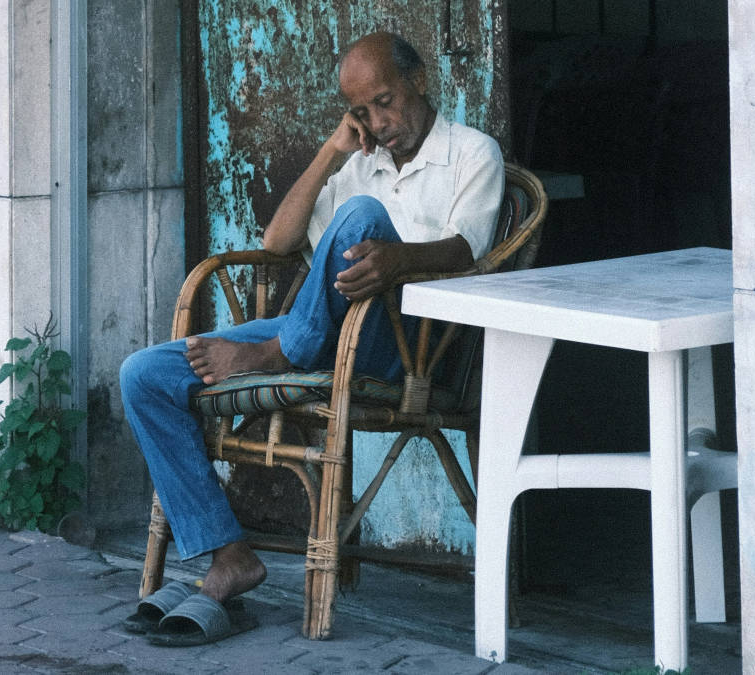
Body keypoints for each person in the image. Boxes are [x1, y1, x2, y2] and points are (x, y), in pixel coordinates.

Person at [118, 31, 503, 644]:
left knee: (362, 216)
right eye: (361, 113)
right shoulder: (361, 163)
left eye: (385, 102)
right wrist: (332, 151)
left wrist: (397, 258)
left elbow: (467, 249)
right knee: (144, 375)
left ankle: (276, 354)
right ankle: (229, 555)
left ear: (419, 81)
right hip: (322, 334)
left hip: (405, 348)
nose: (378, 123)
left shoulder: (472, 152)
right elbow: (277, 242)